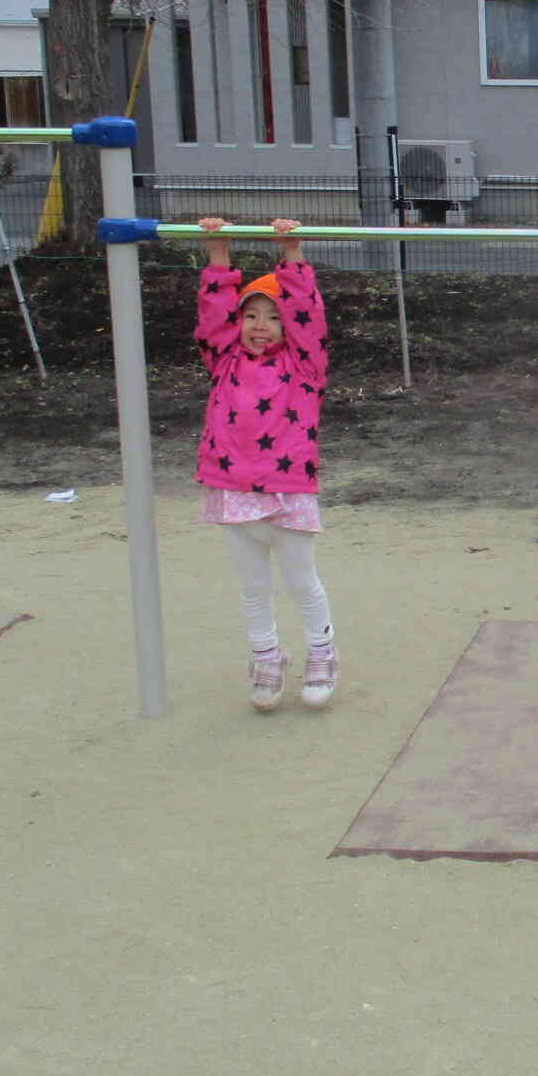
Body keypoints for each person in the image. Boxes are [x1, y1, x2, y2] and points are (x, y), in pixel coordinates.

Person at [195, 217, 339, 711]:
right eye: (251, 316)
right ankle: (266, 655)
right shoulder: (224, 358)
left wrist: (291, 253)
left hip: (288, 486)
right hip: (233, 486)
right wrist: (218, 252)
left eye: (272, 317)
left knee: (300, 580)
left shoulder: (304, 365)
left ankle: (321, 653)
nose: (260, 327)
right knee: (253, 585)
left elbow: (308, 317)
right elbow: (212, 316)